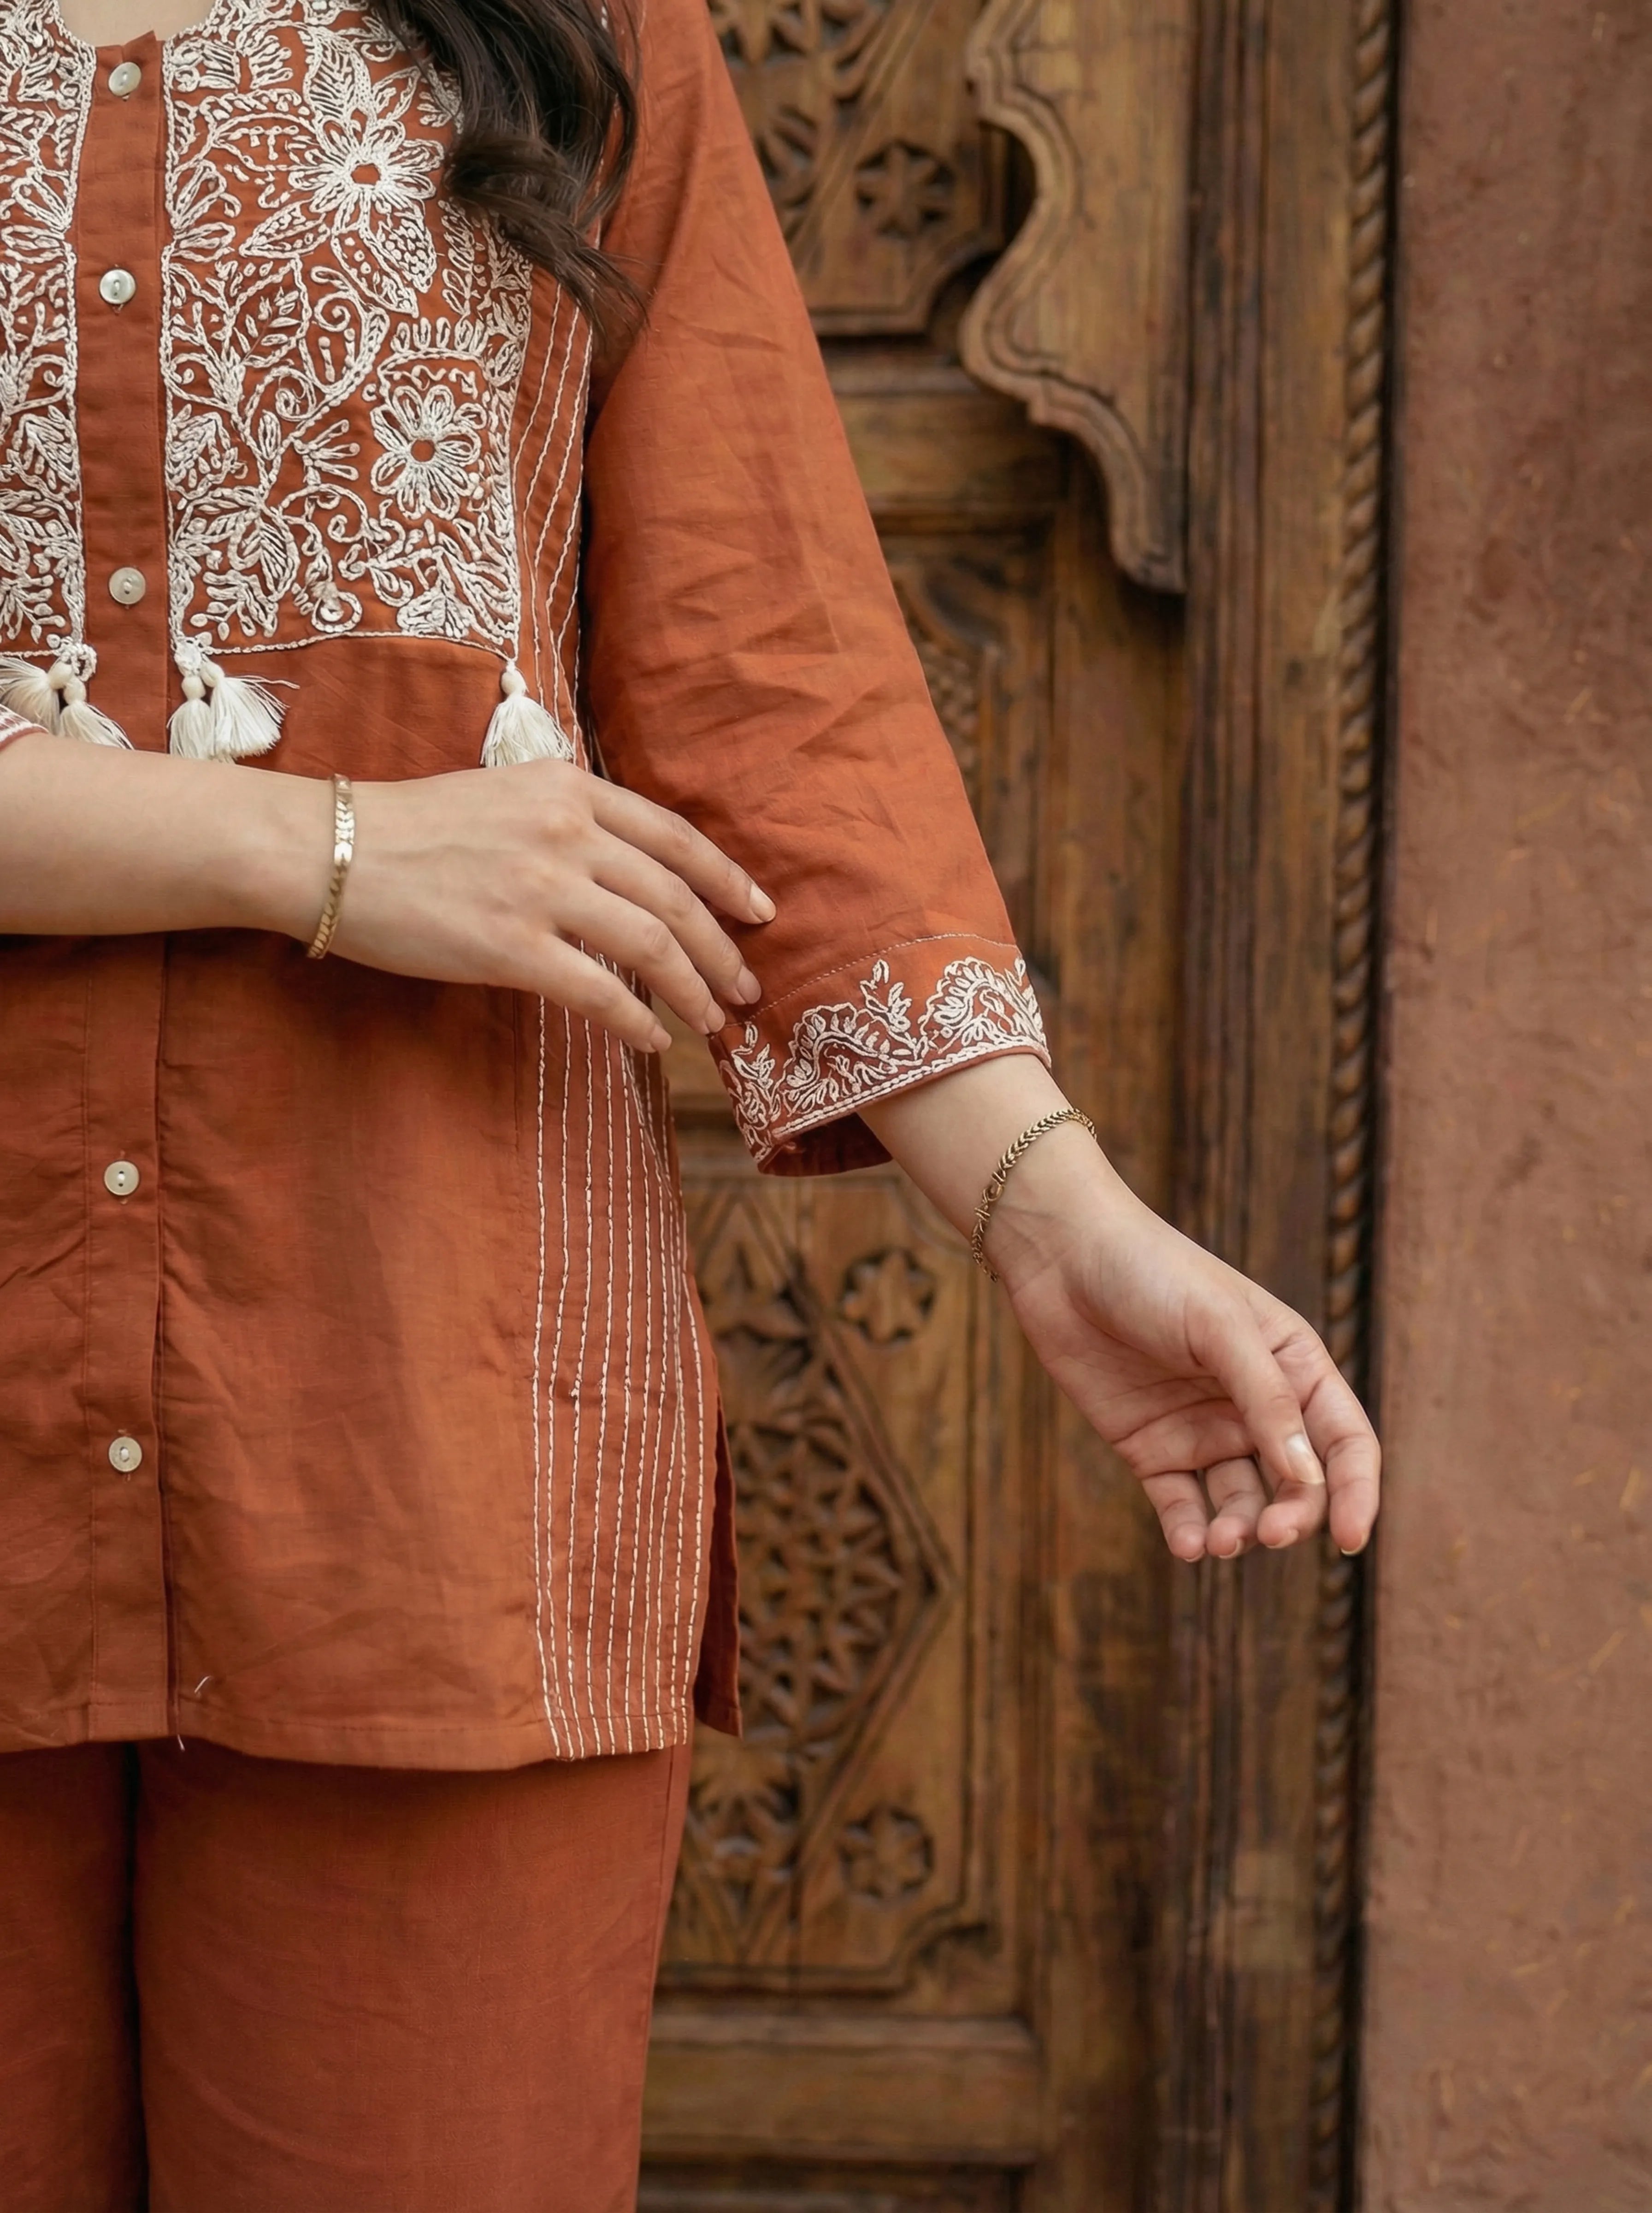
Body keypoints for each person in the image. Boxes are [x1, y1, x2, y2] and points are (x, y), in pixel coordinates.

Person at [0, 0, 1382, 2201]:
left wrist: (1049, 1208)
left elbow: (771, 675)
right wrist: (325, 852)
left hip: (432, 1462)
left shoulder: (566, 34)